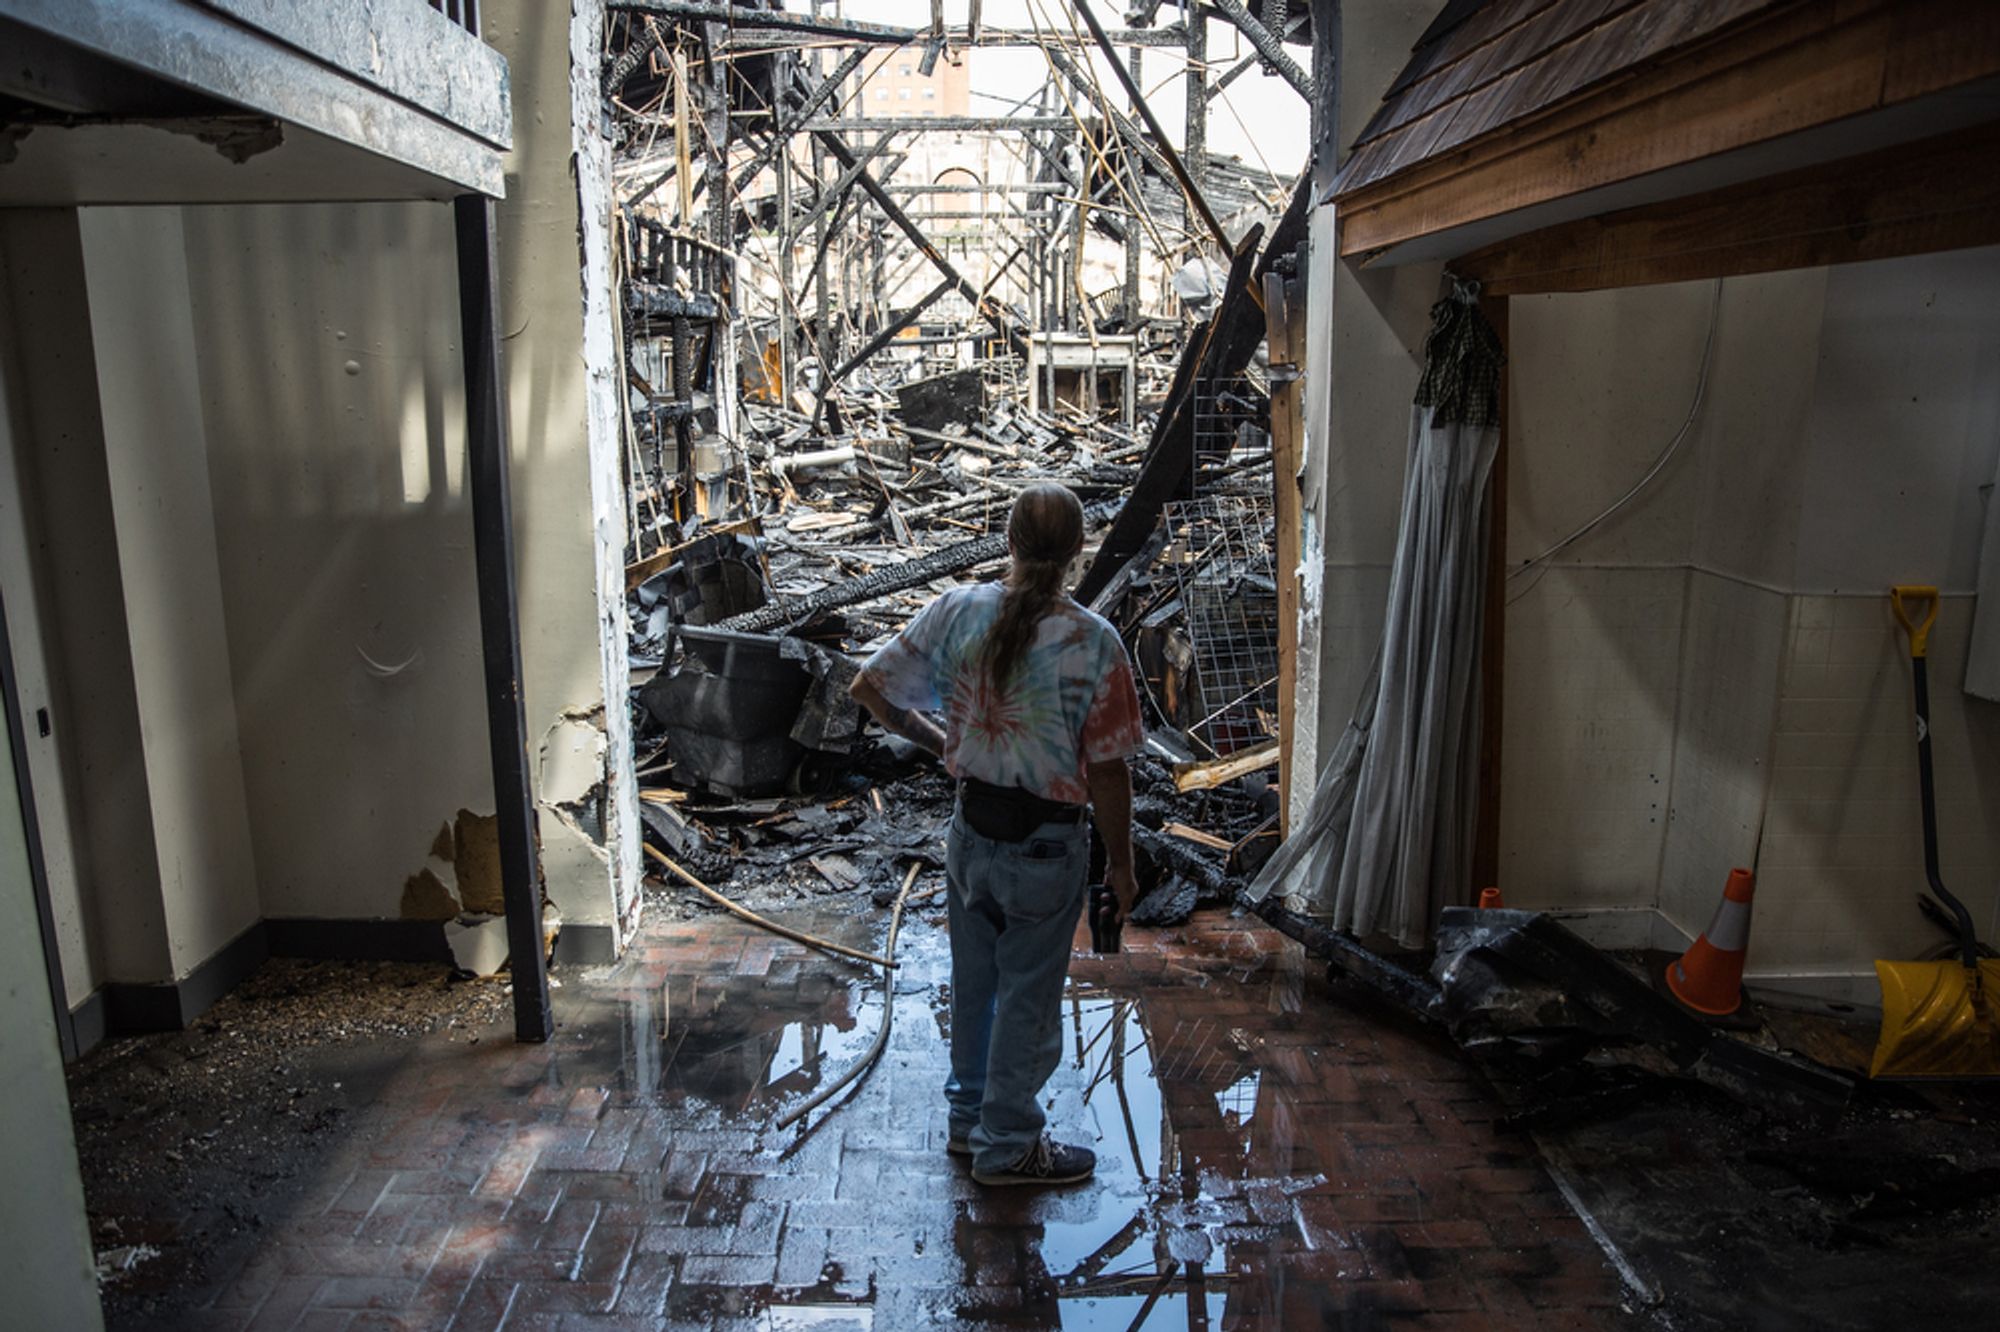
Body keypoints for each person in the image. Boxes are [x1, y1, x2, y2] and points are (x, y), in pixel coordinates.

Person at [850, 482, 1143, 1187]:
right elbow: (1108, 774)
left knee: (975, 980)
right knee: (1027, 997)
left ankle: (968, 1122)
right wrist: (1123, 869)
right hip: (1045, 846)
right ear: (1078, 552)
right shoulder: (1094, 642)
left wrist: (937, 742)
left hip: (970, 832)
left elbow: (869, 687)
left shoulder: (956, 612)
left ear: (1006, 541)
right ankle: (1007, 1145)